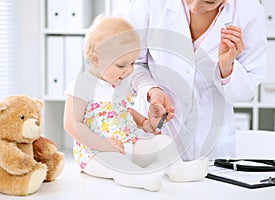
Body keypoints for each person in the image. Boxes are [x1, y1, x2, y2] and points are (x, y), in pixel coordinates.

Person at [63, 16, 208, 192]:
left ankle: (178, 169)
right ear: (95, 60)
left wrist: (144, 123)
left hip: (128, 144)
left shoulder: (121, 83)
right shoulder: (81, 85)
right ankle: (142, 177)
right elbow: (72, 124)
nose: (129, 70)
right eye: (121, 65)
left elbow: (125, 111)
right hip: (96, 154)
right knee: (116, 163)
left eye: (132, 63)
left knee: (162, 142)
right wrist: (103, 144)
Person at [124, 0, 267, 160]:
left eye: (209, 2)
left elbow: (246, 90)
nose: (195, 7)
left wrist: (227, 68)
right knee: (153, 181)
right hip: (155, 134)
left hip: (211, 144)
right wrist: (151, 90)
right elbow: (129, 64)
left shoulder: (250, 12)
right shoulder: (147, 4)